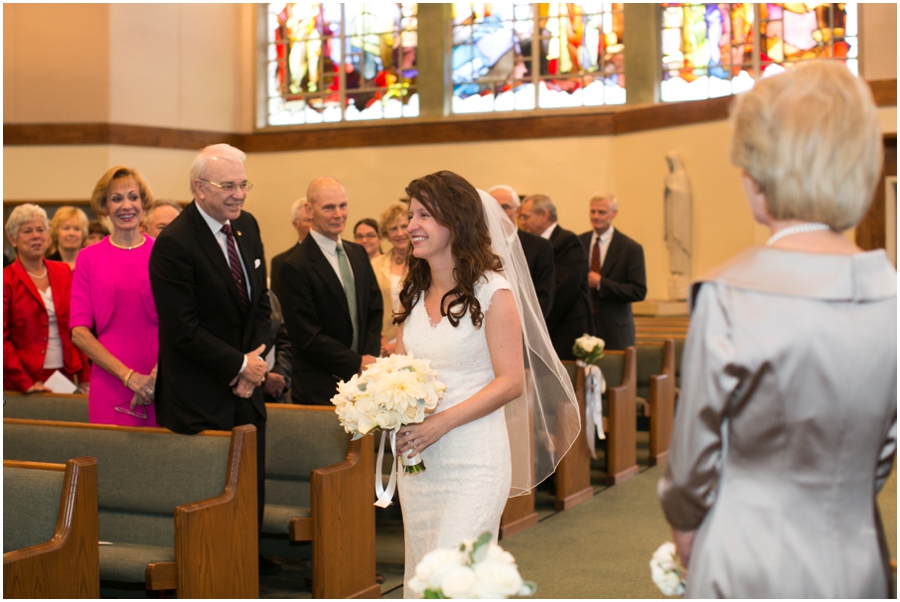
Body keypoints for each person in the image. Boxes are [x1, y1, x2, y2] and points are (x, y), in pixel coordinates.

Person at [657, 62, 896, 598]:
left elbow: (695, 455)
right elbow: (884, 447)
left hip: (750, 550)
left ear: (757, 176)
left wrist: (687, 526)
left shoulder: (732, 293)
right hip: (857, 550)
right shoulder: (891, 294)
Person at [393, 171, 579, 598]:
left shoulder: (493, 292)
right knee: (423, 572)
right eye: (410, 215)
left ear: (455, 221)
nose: (411, 225)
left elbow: (511, 382)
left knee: (457, 578)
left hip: (473, 457)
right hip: (419, 462)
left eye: (423, 214)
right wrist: (384, 400)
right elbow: (404, 371)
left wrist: (440, 424)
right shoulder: (414, 294)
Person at [149, 143, 276, 575]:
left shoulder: (248, 227)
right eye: (229, 186)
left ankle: (245, 566)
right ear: (199, 188)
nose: (239, 194)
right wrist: (239, 367)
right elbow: (183, 329)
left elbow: (260, 304)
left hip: (247, 393)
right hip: (199, 398)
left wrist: (251, 366)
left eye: (243, 184)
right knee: (209, 506)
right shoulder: (174, 243)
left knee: (249, 491)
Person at [276, 177, 382, 405]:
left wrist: (369, 361)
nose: (338, 214)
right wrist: (355, 362)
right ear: (309, 209)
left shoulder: (357, 254)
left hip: (364, 380)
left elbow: (374, 310)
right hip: (320, 385)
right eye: (328, 208)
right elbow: (306, 336)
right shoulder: (295, 265)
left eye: (343, 205)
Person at [70, 166, 159, 426]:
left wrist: (156, 374)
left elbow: (182, 322)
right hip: (110, 381)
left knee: (165, 463)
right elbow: (79, 332)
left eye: (133, 197)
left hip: (162, 378)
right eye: (116, 198)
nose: (126, 206)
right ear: (105, 206)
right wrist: (128, 376)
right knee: (112, 462)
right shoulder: (88, 257)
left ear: (143, 204)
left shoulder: (164, 254)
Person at [4, 204, 90, 393]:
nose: (36, 235)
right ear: (13, 239)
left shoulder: (63, 271)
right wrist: (24, 382)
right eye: (27, 231)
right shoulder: (5, 280)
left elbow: (78, 326)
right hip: (21, 380)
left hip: (65, 374)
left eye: (40, 230)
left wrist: (85, 377)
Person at [519, 194, 592, 360]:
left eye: (525, 216)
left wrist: (533, 322)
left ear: (543, 214)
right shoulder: (531, 245)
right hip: (544, 326)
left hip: (563, 328)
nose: (522, 222)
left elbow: (562, 289)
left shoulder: (567, 241)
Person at [578, 192, 646, 349]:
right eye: (592, 211)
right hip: (583, 326)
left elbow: (638, 290)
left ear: (614, 214)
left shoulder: (630, 248)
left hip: (615, 330)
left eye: (601, 212)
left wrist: (601, 283)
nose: (596, 216)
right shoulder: (579, 242)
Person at [488, 184, 555, 320]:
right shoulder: (478, 246)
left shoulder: (540, 246)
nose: (498, 212)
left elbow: (544, 295)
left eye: (505, 207)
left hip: (525, 324)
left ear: (518, 211)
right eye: (493, 207)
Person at [370, 202, 409, 356]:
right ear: (386, 233)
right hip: (382, 347)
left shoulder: (427, 265)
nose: (400, 233)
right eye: (393, 228)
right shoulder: (374, 266)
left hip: (416, 345)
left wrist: (400, 343)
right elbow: (369, 308)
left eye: (404, 226)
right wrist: (381, 339)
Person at [269, 196, 312, 294]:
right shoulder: (280, 262)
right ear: (295, 224)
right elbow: (277, 305)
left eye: (316, 220)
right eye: (308, 220)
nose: (314, 225)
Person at [46, 206, 88, 271]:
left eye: (77, 229)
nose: (72, 233)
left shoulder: (90, 264)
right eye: (66, 228)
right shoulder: (46, 265)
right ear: (56, 232)